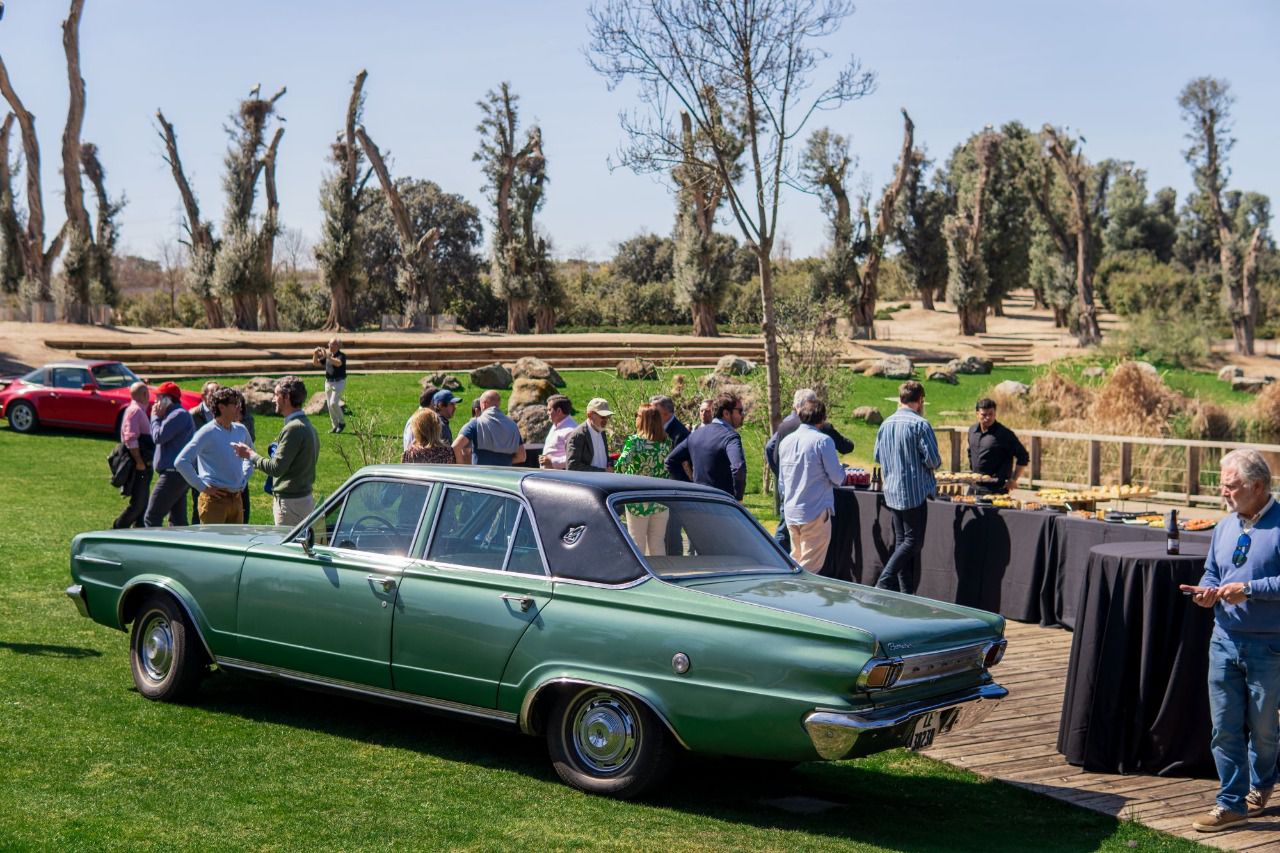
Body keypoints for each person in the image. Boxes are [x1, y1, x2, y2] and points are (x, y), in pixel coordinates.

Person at [1180, 449, 1280, 832]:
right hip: (1223, 640)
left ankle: (1262, 783)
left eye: (1230, 485)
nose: (1223, 492)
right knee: (1223, 727)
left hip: (1268, 646)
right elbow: (1212, 571)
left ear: (1257, 486)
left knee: (1264, 728)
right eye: (1222, 484)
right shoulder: (1224, 526)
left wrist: (1251, 590)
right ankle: (1231, 802)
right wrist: (1206, 592)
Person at [872, 380, 941, 594]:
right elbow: (933, 460)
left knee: (903, 542)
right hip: (914, 491)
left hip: (892, 490)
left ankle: (906, 594)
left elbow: (876, 456)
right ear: (920, 400)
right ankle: (885, 580)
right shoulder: (921, 424)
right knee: (913, 542)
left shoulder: (886, 424)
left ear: (900, 398)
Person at [765, 388, 855, 550]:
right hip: (814, 507)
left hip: (790, 498)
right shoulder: (823, 436)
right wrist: (841, 469)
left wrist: (780, 472)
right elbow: (838, 474)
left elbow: (769, 448)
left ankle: (774, 558)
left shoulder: (785, 428)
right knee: (810, 559)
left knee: (791, 545)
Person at [233, 375, 319, 527]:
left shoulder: (294, 428)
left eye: (276, 395)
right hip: (302, 500)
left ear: (286, 397)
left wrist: (250, 455)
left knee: (287, 550)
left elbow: (276, 468)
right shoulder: (307, 425)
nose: (273, 400)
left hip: (291, 505)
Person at [778, 398, 847, 573]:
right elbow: (837, 478)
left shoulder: (786, 441)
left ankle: (790, 593)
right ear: (823, 419)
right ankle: (794, 597)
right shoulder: (823, 441)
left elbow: (781, 480)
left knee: (796, 561)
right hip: (814, 511)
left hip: (791, 510)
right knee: (810, 568)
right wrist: (842, 470)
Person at [175, 387, 253, 524]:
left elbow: (250, 456)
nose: (239, 408)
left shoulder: (241, 430)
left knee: (235, 544)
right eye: (235, 404)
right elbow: (181, 461)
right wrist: (203, 487)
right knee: (213, 542)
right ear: (222, 407)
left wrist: (244, 478)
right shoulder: (207, 432)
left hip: (237, 499)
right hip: (214, 502)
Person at [665, 392, 746, 500]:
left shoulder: (696, 435)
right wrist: (738, 497)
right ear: (726, 413)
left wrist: (689, 487)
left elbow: (670, 461)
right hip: (723, 503)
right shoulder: (730, 437)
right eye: (740, 411)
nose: (742, 415)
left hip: (699, 501)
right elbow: (738, 467)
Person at [616, 403, 672, 555]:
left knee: (636, 541)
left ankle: (641, 575)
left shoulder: (634, 442)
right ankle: (659, 573)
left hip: (637, 498)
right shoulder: (667, 442)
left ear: (644, 420)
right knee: (657, 542)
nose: (635, 418)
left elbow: (620, 467)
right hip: (660, 498)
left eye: (638, 416)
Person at [143, 382, 196, 528]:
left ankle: (153, 549)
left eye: (159, 398)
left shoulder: (177, 415)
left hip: (173, 475)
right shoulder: (174, 414)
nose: (155, 402)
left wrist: (154, 417)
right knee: (178, 521)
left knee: (152, 517)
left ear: (168, 399)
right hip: (177, 475)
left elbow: (158, 437)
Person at [112, 381, 155, 529]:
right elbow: (130, 438)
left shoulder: (136, 410)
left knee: (143, 502)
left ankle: (139, 529)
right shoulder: (135, 411)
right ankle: (118, 528)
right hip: (139, 464)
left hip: (143, 463)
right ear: (144, 394)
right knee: (138, 503)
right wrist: (139, 462)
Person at [968, 397, 1028, 495]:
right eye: (984, 415)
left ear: (995, 413)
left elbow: (1023, 456)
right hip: (973, 487)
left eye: (991, 414)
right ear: (977, 414)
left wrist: (1013, 479)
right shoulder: (972, 431)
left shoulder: (1005, 434)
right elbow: (970, 452)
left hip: (996, 489)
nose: (988, 417)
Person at [453, 390, 525, 466]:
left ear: (483, 404)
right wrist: (502, 462)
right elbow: (522, 456)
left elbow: (455, 446)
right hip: (504, 476)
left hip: (481, 475)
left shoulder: (476, 424)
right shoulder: (513, 426)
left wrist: (462, 468)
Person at [566, 397, 613, 472]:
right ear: (590, 415)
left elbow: (602, 459)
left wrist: (610, 464)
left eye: (608, 417)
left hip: (602, 481)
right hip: (586, 483)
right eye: (603, 417)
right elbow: (573, 467)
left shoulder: (601, 431)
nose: (606, 420)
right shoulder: (578, 435)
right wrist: (603, 471)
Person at [312, 336, 347, 433]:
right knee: (329, 406)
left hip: (339, 382)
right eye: (329, 344)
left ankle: (342, 422)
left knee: (333, 403)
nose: (330, 346)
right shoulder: (328, 355)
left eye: (332, 344)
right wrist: (315, 354)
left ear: (338, 346)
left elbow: (338, 363)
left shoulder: (341, 355)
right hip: (328, 382)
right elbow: (316, 364)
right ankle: (335, 426)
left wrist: (327, 356)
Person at [539, 395, 577, 469]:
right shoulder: (555, 425)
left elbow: (574, 458)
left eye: (549, 410)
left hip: (559, 477)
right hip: (549, 475)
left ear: (559, 411)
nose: (547, 413)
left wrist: (552, 461)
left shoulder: (571, 430)